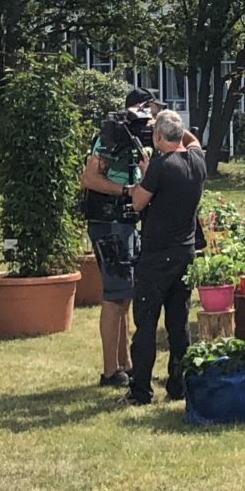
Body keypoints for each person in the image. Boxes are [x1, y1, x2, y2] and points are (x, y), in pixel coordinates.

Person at [124, 110, 205, 405]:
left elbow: (137, 202)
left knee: (145, 323)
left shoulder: (160, 166)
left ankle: (140, 390)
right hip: (186, 253)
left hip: (156, 255)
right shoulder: (197, 160)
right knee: (178, 323)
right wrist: (170, 122)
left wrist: (145, 173)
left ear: (158, 137)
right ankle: (178, 385)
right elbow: (192, 140)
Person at [78, 98, 148, 387]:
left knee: (124, 294)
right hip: (109, 223)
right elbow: (89, 178)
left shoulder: (132, 139)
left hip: (125, 223)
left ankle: (125, 363)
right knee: (114, 295)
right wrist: (126, 190)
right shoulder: (111, 135)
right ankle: (110, 371)